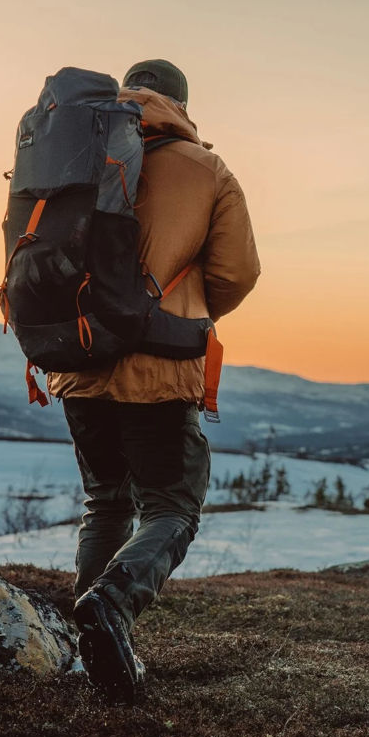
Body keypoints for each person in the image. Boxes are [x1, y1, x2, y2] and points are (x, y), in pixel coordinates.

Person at [47, 59, 261, 703]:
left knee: (105, 502)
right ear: (183, 105)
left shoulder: (72, 150)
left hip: (77, 361)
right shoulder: (205, 169)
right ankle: (111, 605)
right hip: (159, 366)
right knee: (171, 505)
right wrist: (182, 308)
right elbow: (237, 273)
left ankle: (87, 645)